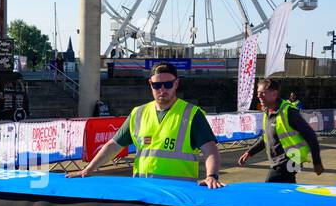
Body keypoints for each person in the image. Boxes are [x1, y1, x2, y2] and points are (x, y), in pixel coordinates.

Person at [69, 62, 224, 187]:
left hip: (179, 194)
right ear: (150, 84)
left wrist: (211, 176)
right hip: (144, 190)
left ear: (176, 84)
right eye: (157, 85)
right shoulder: (138, 113)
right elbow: (113, 146)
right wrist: (88, 169)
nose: (162, 89)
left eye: (168, 84)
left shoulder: (192, 114)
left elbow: (210, 150)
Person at [237, 78, 325, 183]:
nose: (258, 96)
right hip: (280, 161)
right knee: (286, 190)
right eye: (258, 93)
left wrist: (317, 162)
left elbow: (311, 136)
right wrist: (250, 152)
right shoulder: (268, 112)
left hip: (291, 160)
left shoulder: (288, 112)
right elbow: (266, 137)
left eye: (262, 93)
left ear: (274, 94)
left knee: (270, 189)